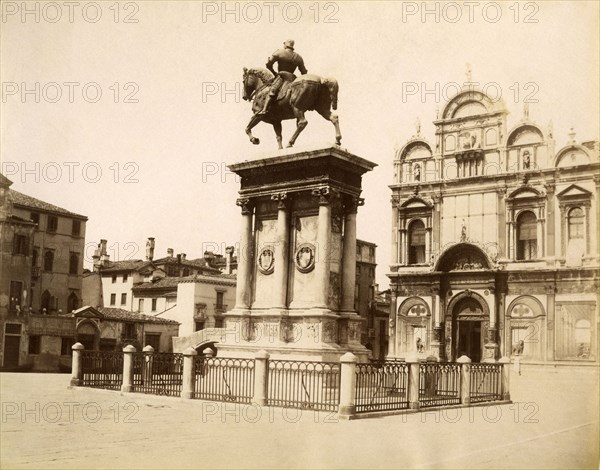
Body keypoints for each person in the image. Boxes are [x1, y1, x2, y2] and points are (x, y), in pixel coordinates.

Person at [259, 39, 308, 115]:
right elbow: (304, 72)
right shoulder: (298, 57)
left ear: (286, 45)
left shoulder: (279, 52)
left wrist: (274, 73)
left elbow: (269, 64)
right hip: (292, 78)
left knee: (272, 91)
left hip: (282, 76)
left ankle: (264, 109)